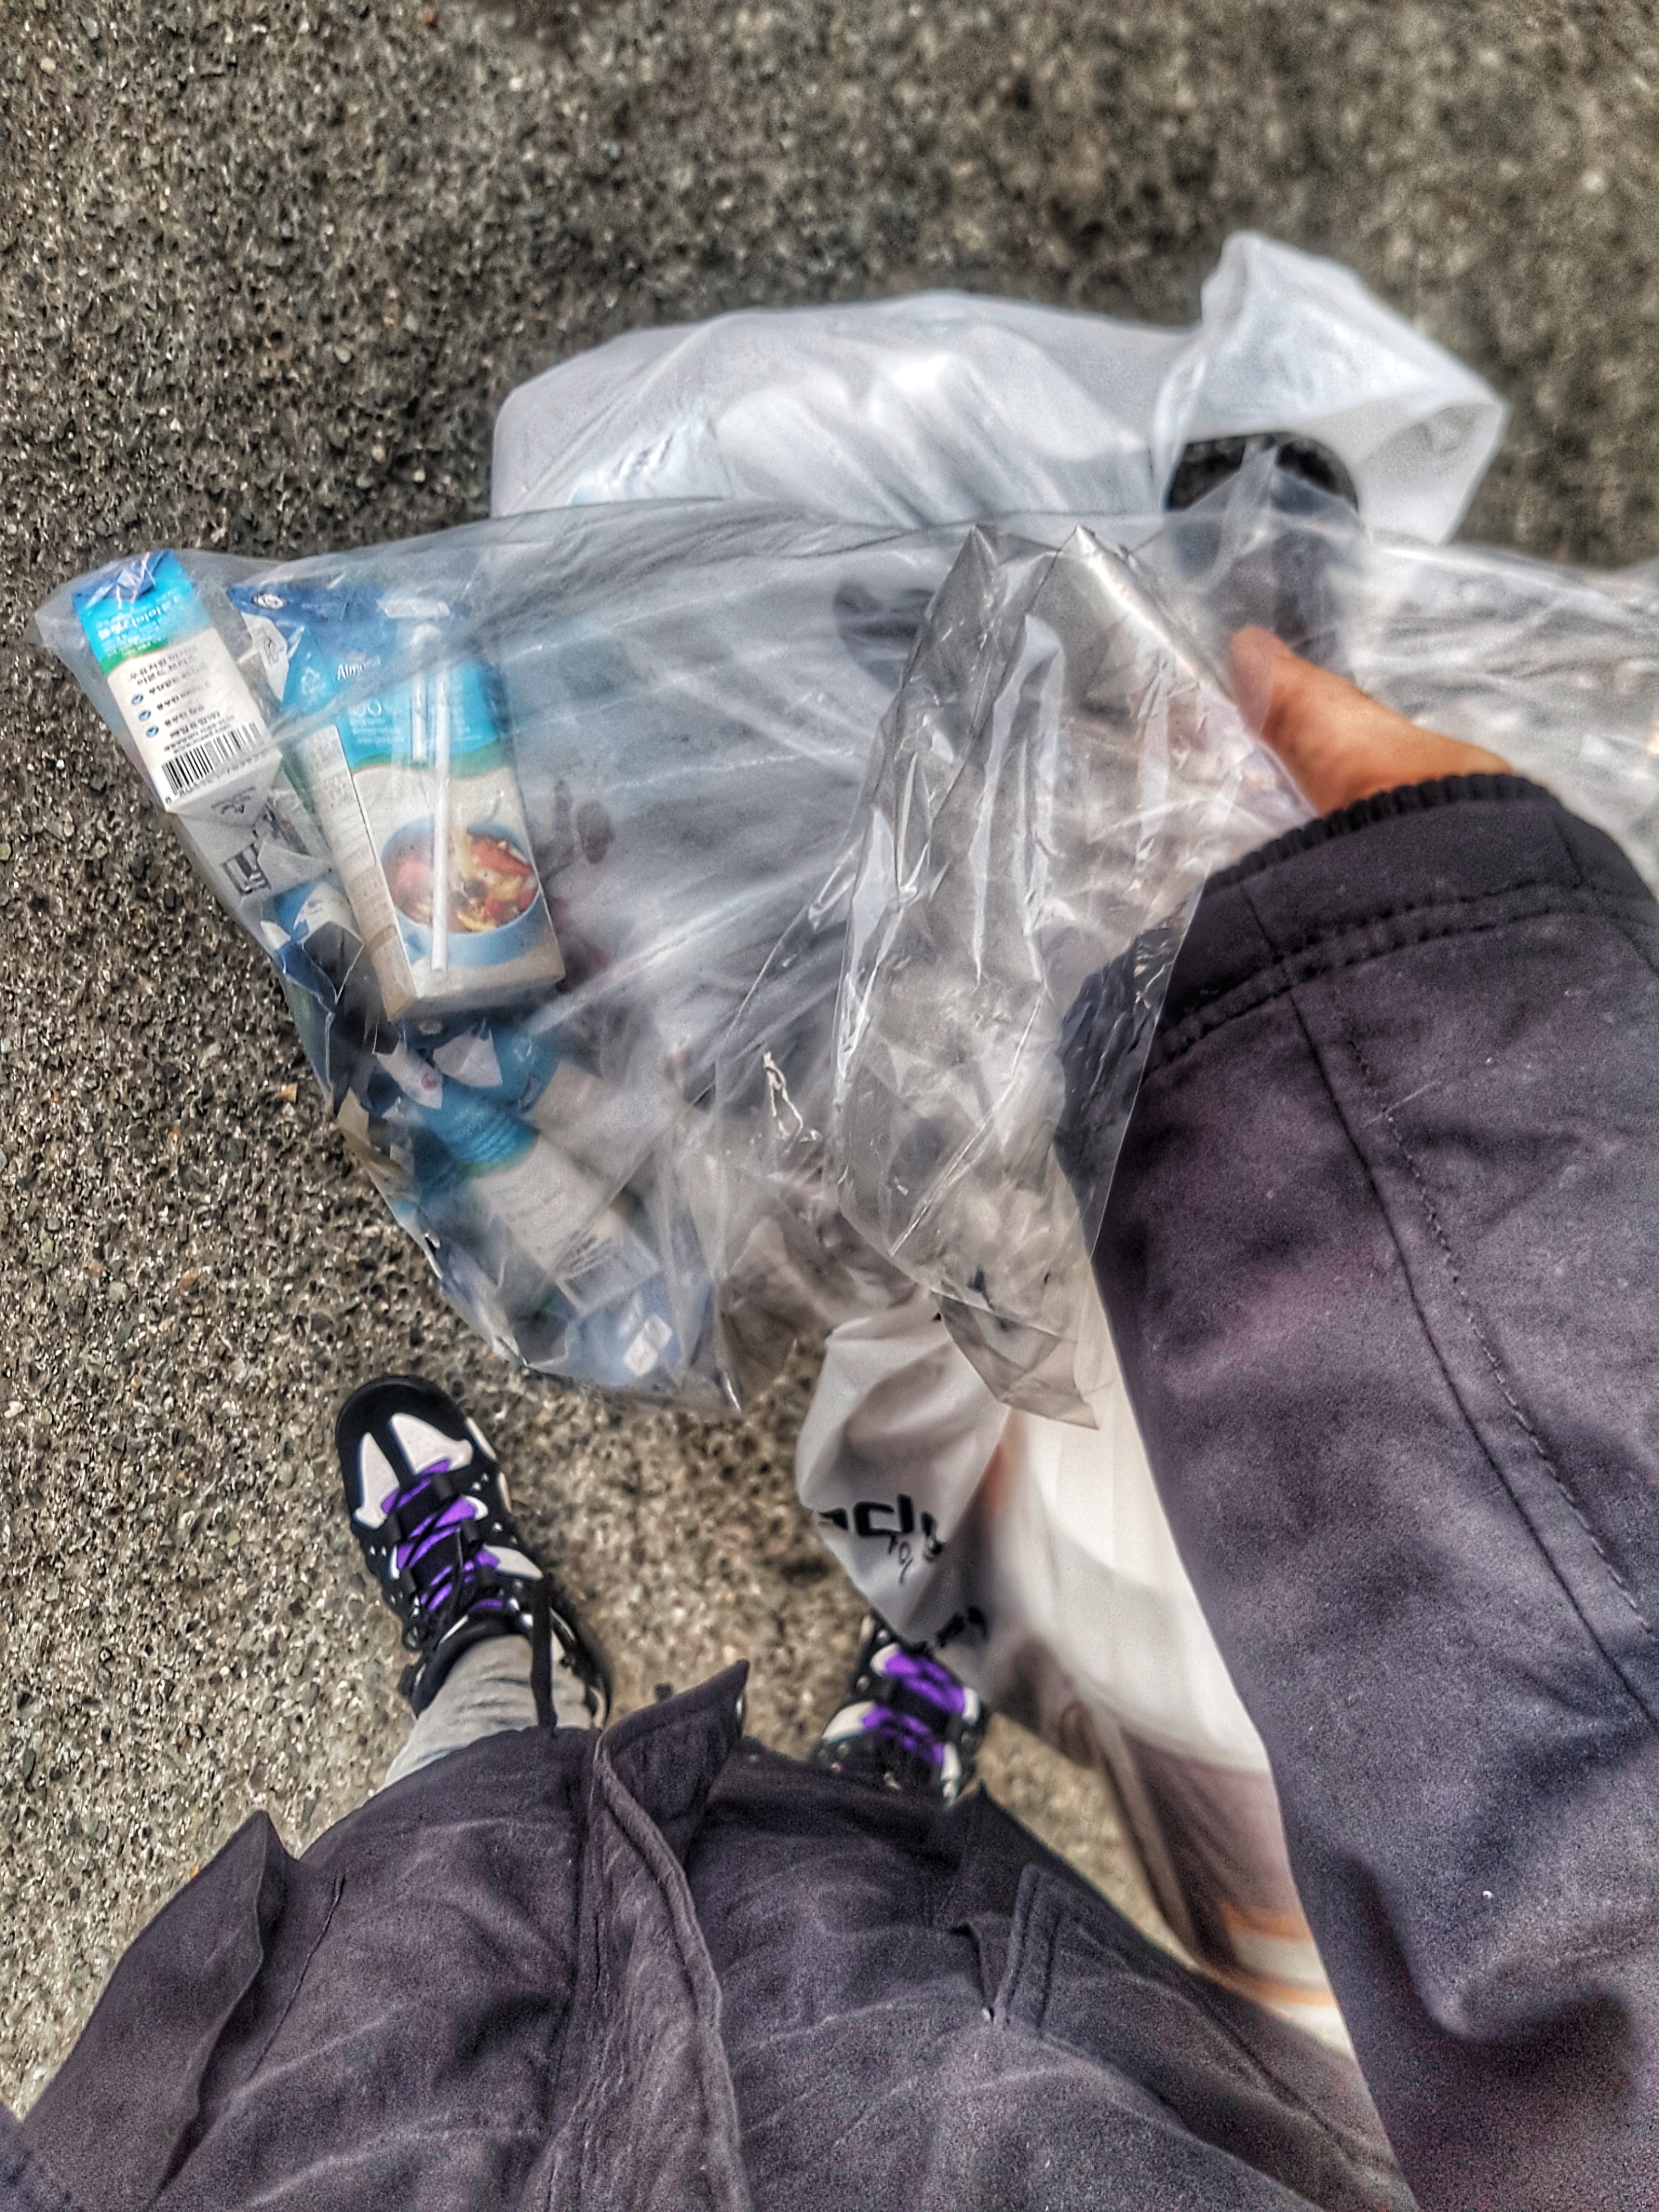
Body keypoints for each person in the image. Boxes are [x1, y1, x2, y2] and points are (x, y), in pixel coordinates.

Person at [6, 629, 1656, 2211]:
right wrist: (1399, 1021)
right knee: (916, 1944)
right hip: (998, 2114)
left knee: (444, 1883)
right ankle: (888, 1780)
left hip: (380, 2150)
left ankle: (505, 1667)